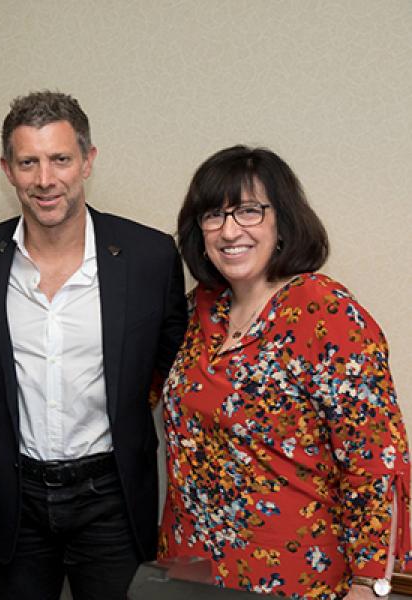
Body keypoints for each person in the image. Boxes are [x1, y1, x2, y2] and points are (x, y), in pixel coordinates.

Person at [0, 91, 188, 600]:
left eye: (60, 159)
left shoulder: (149, 257)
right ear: (7, 169)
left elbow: (181, 374)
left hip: (111, 497)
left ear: (87, 161)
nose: (45, 180)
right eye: (28, 162)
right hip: (14, 500)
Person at [159, 145, 410, 599]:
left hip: (293, 577)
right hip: (189, 568)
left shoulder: (327, 313)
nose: (229, 230)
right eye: (213, 215)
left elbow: (376, 462)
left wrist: (368, 584)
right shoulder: (202, 308)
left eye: (249, 211)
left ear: (283, 222)